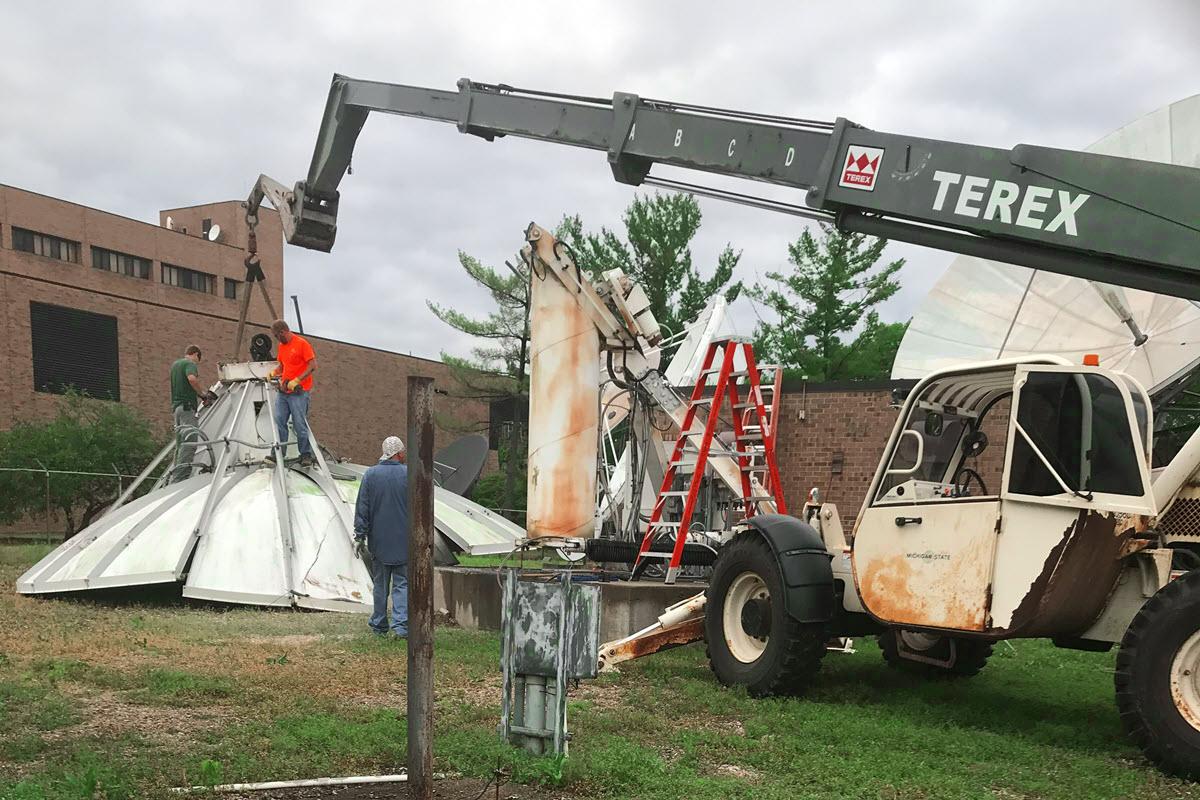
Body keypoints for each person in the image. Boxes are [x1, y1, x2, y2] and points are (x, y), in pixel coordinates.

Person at [354, 436, 411, 637]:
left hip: (378, 541)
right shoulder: (409, 475)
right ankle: (401, 626)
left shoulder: (370, 475)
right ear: (399, 453)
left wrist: (359, 536)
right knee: (402, 584)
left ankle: (379, 625)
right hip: (405, 541)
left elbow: (363, 507)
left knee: (380, 584)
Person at [266, 320, 317, 467]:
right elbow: (283, 365)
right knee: (280, 420)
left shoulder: (301, 344)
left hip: (299, 392)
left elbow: (313, 365)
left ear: (282, 332)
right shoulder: (282, 346)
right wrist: (274, 372)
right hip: (284, 391)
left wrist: (297, 380)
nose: (276, 338)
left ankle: (305, 454)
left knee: (299, 423)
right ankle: (278, 453)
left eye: (276, 335)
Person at [168, 345, 215, 483]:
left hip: (177, 409)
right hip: (187, 407)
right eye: (197, 359)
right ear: (195, 354)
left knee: (180, 444)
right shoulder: (189, 364)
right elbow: (192, 379)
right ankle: (181, 478)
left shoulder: (175, 365)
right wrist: (203, 395)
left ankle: (175, 476)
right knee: (190, 442)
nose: (196, 362)